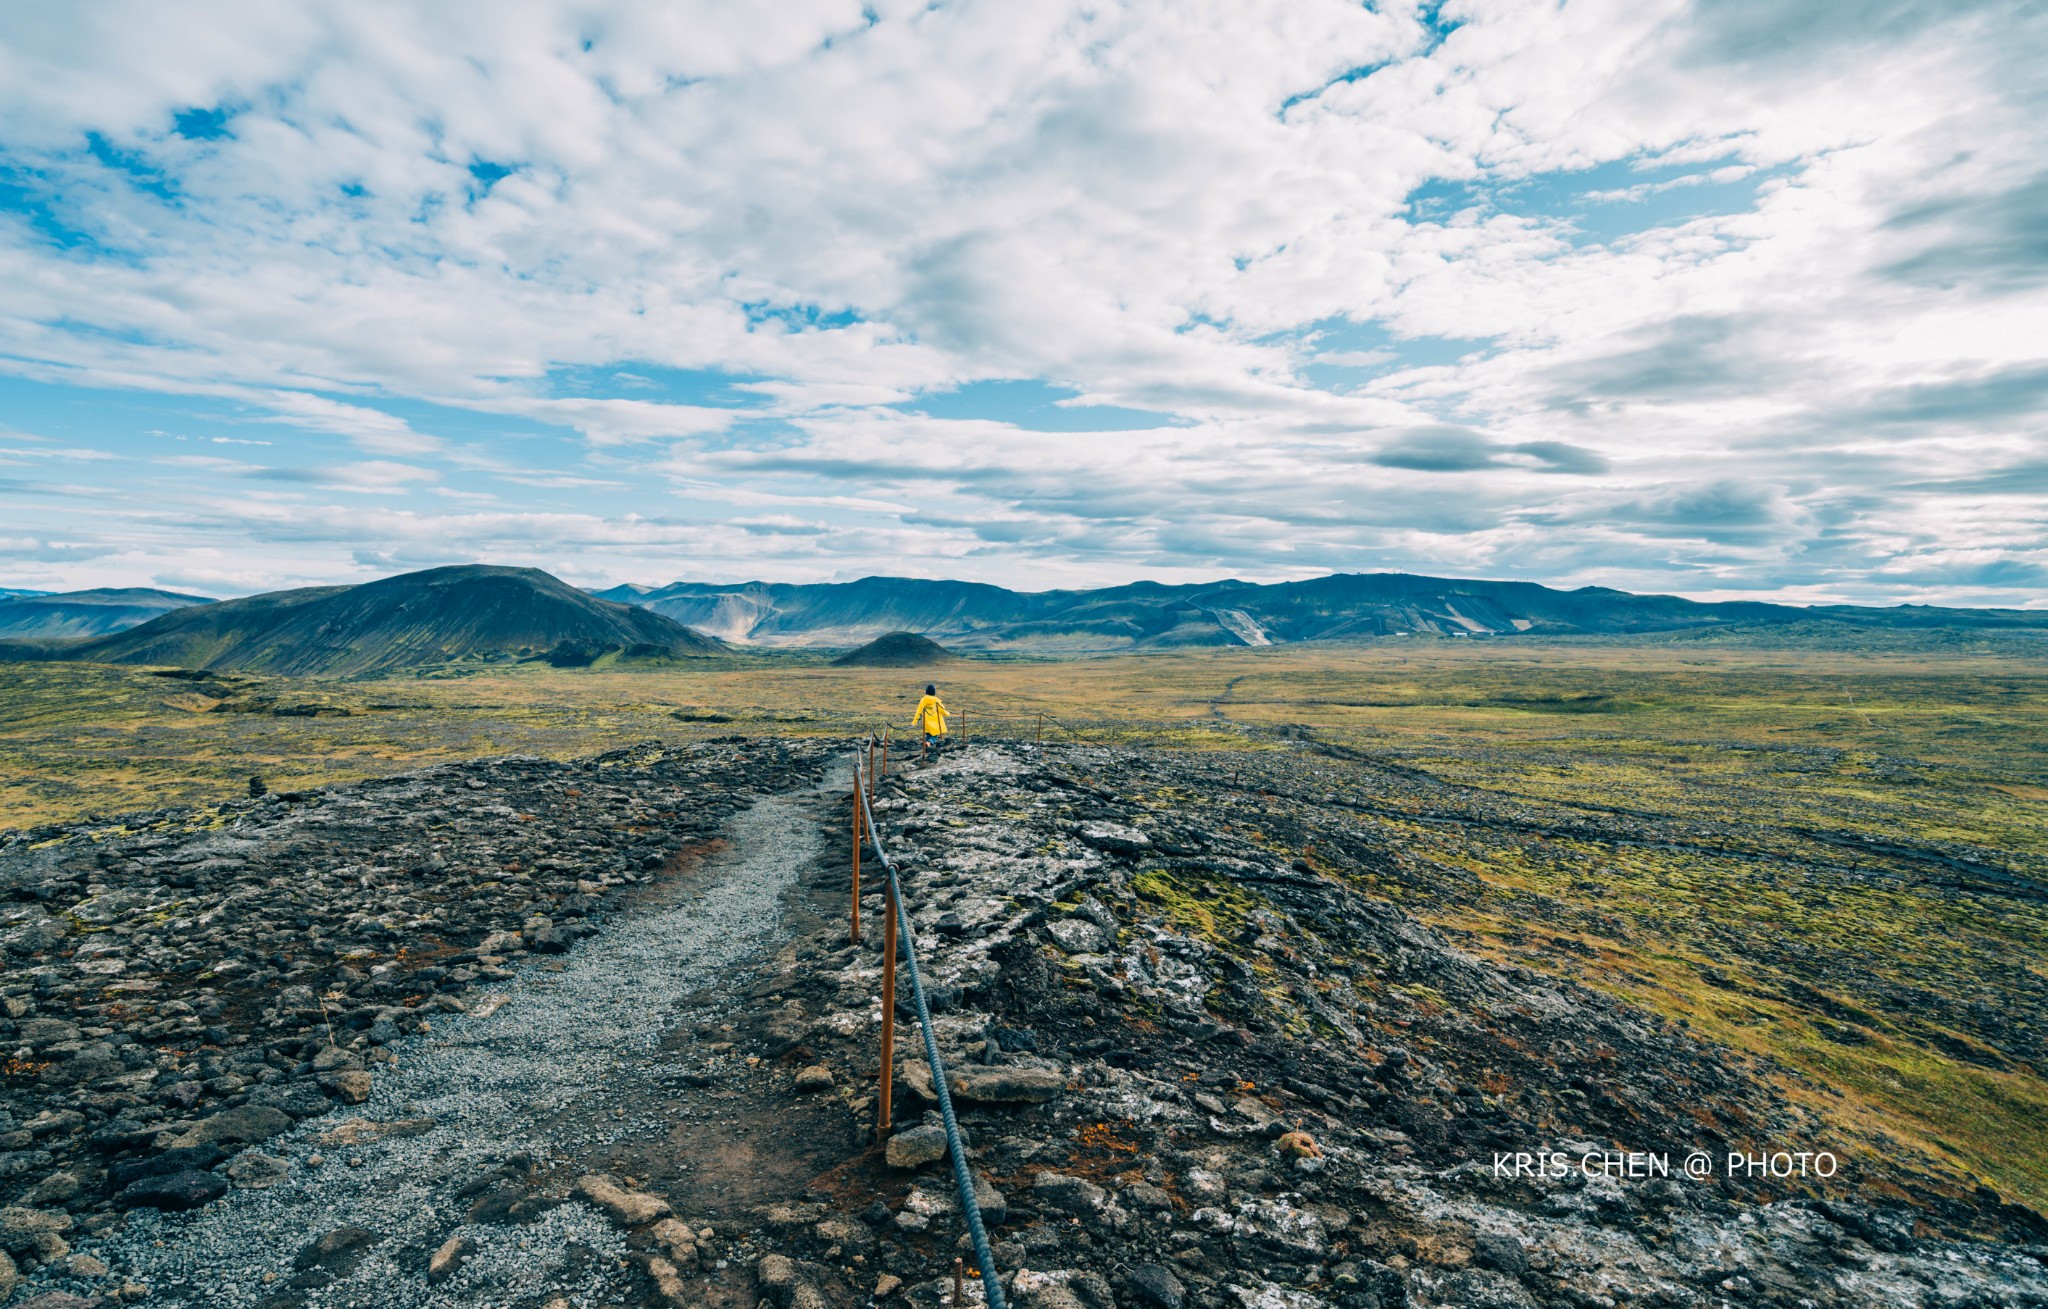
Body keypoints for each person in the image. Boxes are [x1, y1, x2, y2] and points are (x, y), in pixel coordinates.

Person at [912, 683, 949, 759]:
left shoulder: (923, 700)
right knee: (934, 735)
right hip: (935, 721)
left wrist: (915, 721)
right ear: (934, 692)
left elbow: (918, 711)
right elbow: (942, 710)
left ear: (926, 692)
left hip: (926, 721)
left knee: (928, 734)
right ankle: (928, 743)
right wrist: (947, 713)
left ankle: (925, 743)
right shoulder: (936, 700)